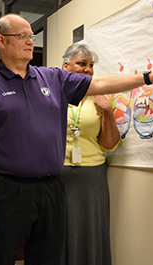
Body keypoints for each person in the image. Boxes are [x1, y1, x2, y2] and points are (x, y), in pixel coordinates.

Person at [0, 13, 153, 265]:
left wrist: (148, 77)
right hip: (6, 190)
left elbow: (100, 82)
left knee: (49, 258)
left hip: (51, 188)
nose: (29, 41)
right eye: (22, 36)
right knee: (1, 257)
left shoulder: (53, 78)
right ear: (2, 41)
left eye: (31, 36)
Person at [60, 42, 120, 265]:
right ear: (66, 66)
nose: (87, 69)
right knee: (60, 231)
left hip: (92, 176)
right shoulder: (53, 95)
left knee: (92, 230)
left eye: (91, 65)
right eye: (81, 64)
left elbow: (110, 144)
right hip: (58, 175)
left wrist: (108, 111)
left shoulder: (100, 96)